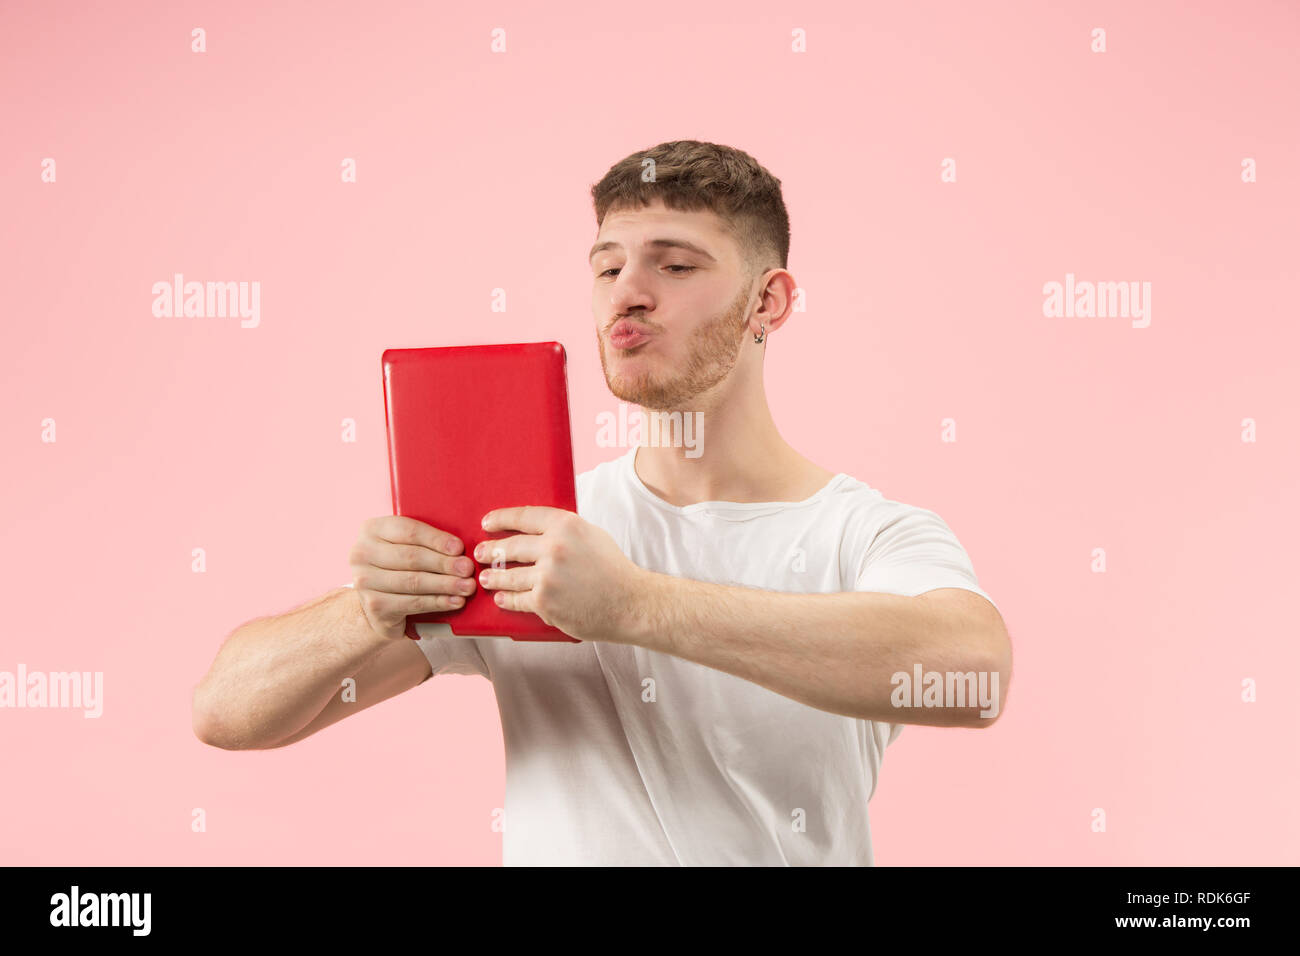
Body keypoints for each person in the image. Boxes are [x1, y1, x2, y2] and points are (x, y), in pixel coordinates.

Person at [192, 140, 1012, 866]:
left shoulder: (862, 533)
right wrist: (369, 611)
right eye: (608, 265)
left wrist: (636, 605)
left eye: (675, 264)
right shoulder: (528, 532)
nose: (629, 292)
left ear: (769, 302)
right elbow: (227, 711)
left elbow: (973, 678)